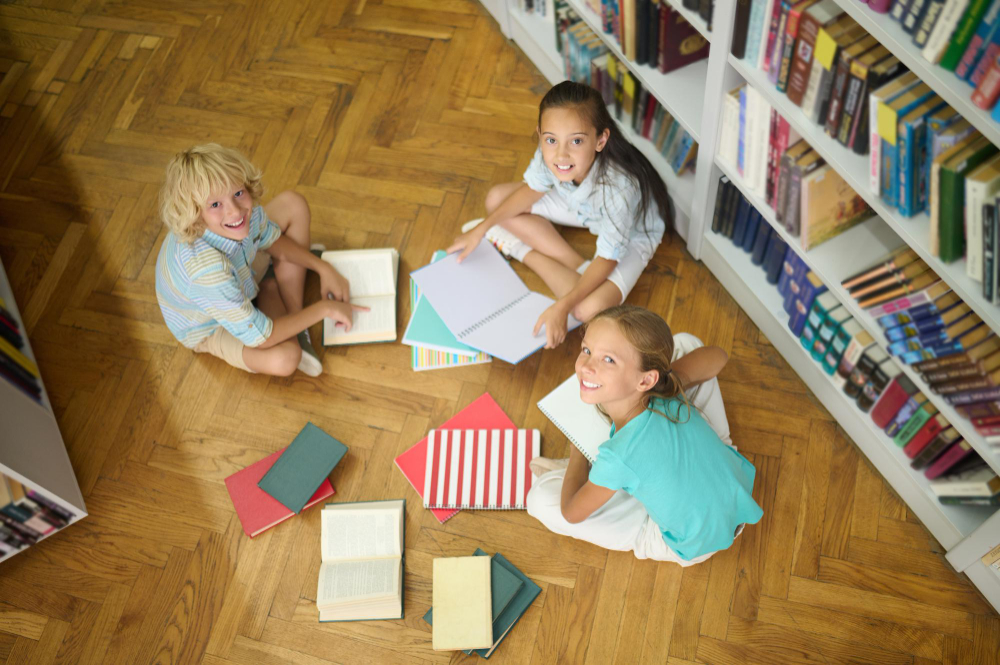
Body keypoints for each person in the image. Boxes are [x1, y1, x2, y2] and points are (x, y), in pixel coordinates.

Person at [526, 305, 763, 565]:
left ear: (646, 381)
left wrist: (576, 454)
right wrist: (674, 379)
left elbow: (571, 513)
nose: (587, 366)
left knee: (538, 500)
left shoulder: (618, 456)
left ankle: (592, 472)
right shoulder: (667, 389)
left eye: (609, 360)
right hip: (736, 491)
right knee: (686, 343)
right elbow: (718, 356)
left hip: (692, 542)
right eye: (587, 350)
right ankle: (614, 479)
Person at [448, 81, 672, 349]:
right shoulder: (553, 154)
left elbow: (608, 258)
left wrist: (562, 306)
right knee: (496, 199)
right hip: (582, 207)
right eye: (551, 139)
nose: (561, 154)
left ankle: (519, 249)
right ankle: (575, 266)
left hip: (632, 233)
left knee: (587, 310)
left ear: (601, 140)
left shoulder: (620, 190)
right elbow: (532, 190)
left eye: (576, 141)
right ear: (541, 134)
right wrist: (480, 230)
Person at [154, 144, 364, 377]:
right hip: (211, 325)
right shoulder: (207, 272)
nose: (235, 211)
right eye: (215, 204)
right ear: (196, 215)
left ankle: (293, 320)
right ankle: (276, 295)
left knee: (293, 204)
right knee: (285, 359)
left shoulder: (240, 217)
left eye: (238, 193)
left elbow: (272, 239)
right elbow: (261, 337)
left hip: (237, 270)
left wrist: (324, 268)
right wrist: (324, 308)